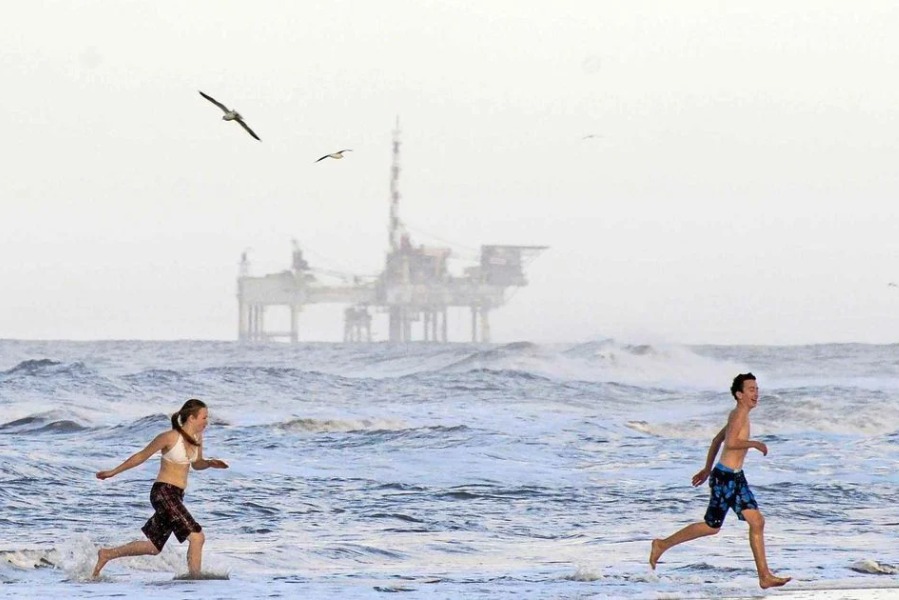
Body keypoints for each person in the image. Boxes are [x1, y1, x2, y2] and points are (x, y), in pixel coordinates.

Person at [648, 373, 791, 589]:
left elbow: (718, 440)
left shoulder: (741, 413)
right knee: (711, 526)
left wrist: (707, 469)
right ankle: (662, 544)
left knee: (757, 521)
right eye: (751, 389)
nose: (756, 393)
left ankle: (764, 576)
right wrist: (754, 444)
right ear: (739, 394)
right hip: (725, 479)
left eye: (756, 389)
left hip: (735, 477)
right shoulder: (738, 414)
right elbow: (731, 442)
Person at [92, 399, 229, 578]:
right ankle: (195, 581)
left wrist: (210, 463)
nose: (206, 422)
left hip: (176, 496)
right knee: (197, 537)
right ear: (192, 418)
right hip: (163, 492)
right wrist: (113, 472)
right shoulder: (170, 437)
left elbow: (196, 464)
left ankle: (107, 554)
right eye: (204, 417)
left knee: (153, 547)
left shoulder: (197, 439)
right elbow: (141, 456)